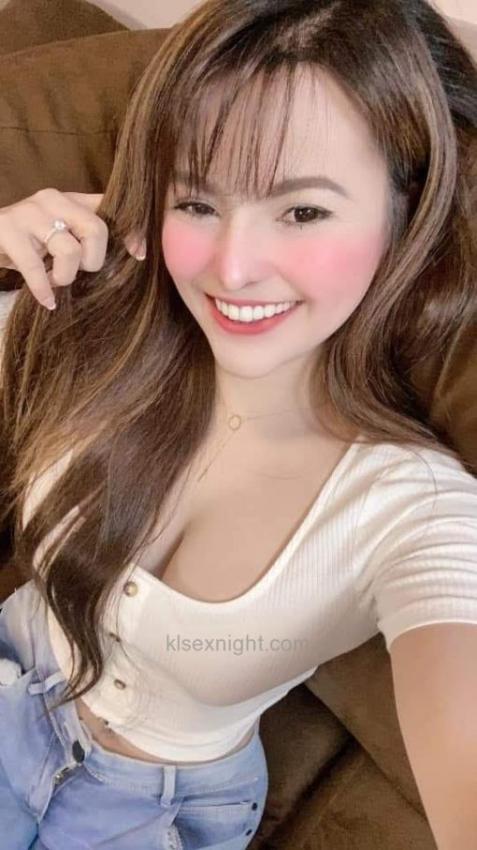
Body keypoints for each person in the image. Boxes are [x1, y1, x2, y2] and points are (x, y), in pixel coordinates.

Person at [0, 0, 476, 847]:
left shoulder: (415, 512)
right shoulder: (91, 323)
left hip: (150, 807)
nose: (233, 267)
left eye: (302, 211)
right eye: (197, 202)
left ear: (405, 211)